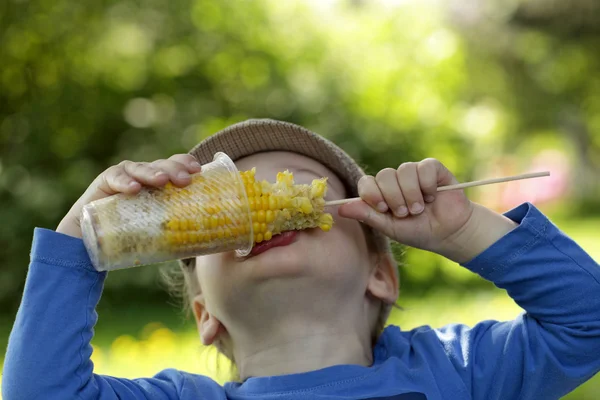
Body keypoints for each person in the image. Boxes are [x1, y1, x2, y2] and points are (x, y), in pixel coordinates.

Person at [3, 119, 600, 400]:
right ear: (205, 311)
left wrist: (464, 229)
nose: (267, 201)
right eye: (226, 202)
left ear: (379, 273)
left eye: (303, 187)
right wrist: (82, 241)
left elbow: (589, 322)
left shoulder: (457, 371)